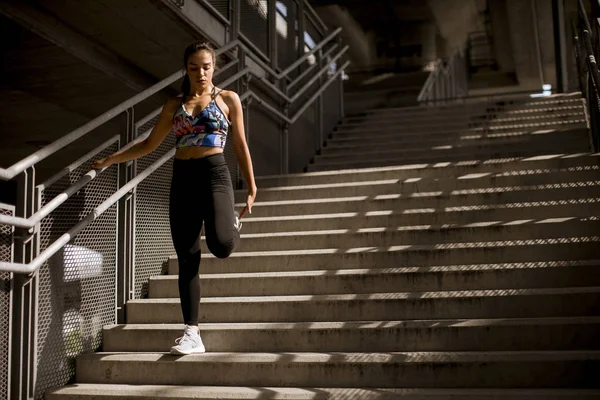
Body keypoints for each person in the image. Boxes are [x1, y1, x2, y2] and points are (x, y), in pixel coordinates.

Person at [92, 41, 257, 355]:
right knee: (187, 258)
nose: (200, 73)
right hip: (182, 179)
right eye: (194, 67)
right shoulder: (174, 104)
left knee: (222, 245)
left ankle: (231, 223)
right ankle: (192, 333)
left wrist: (251, 187)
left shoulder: (228, 99)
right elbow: (149, 144)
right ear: (186, 70)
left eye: (206, 66)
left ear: (214, 68)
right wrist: (113, 159)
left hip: (214, 174)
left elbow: (240, 145)